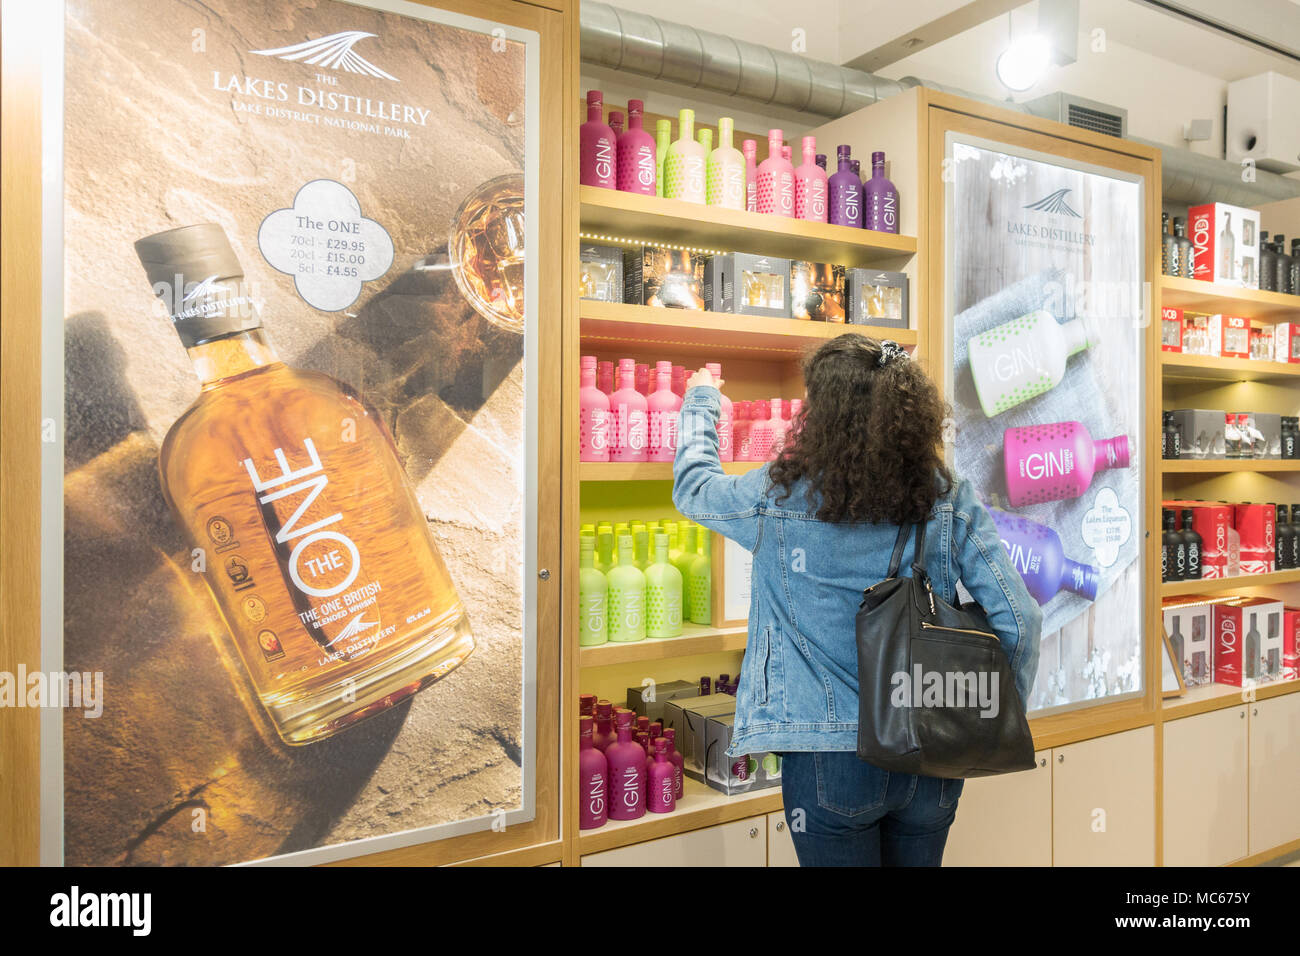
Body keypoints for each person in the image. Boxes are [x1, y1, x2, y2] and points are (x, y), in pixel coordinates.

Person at [672, 334, 1041, 867]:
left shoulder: (776, 498)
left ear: (821, 415)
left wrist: (702, 398)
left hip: (829, 759)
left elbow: (694, 487)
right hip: (931, 750)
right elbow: (1020, 618)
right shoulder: (946, 496)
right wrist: (989, 720)